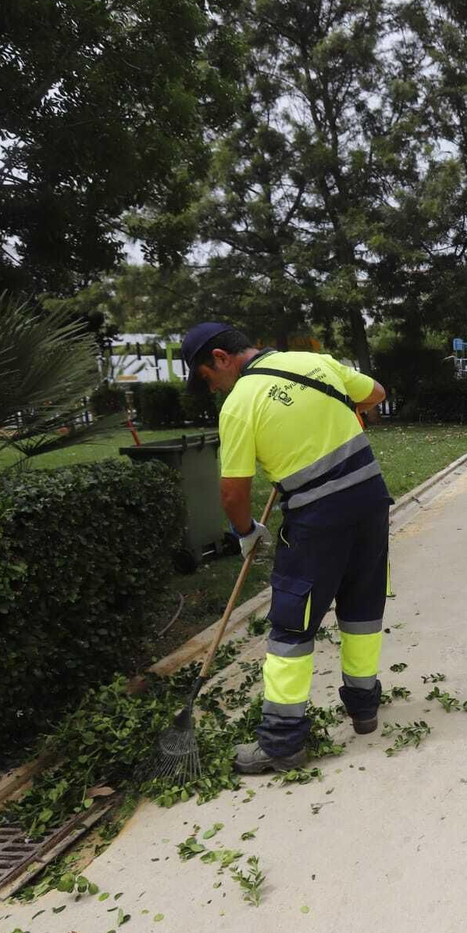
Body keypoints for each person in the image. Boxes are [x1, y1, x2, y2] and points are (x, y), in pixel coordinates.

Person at [179, 322, 390, 773]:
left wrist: (246, 532)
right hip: (371, 503)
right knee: (362, 607)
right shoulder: (315, 362)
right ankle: (364, 708)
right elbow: (376, 393)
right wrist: (341, 413)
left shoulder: (239, 405)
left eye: (206, 377)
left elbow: (233, 494)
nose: (212, 388)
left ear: (220, 358)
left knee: (292, 627)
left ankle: (281, 743)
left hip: (318, 519)